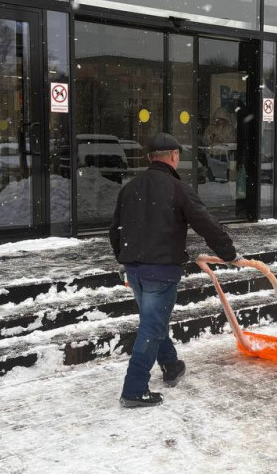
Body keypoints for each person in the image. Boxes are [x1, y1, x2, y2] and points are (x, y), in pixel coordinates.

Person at [110, 132, 240, 408]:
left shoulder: (130, 187)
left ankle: (170, 365)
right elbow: (205, 223)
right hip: (160, 270)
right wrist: (228, 253)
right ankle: (134, 389)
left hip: (135, 269)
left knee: (153, 320)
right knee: (152, 325)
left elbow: (115, 230)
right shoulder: (177, 188)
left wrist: (125, 258)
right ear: (174, 157)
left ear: (149, 158)